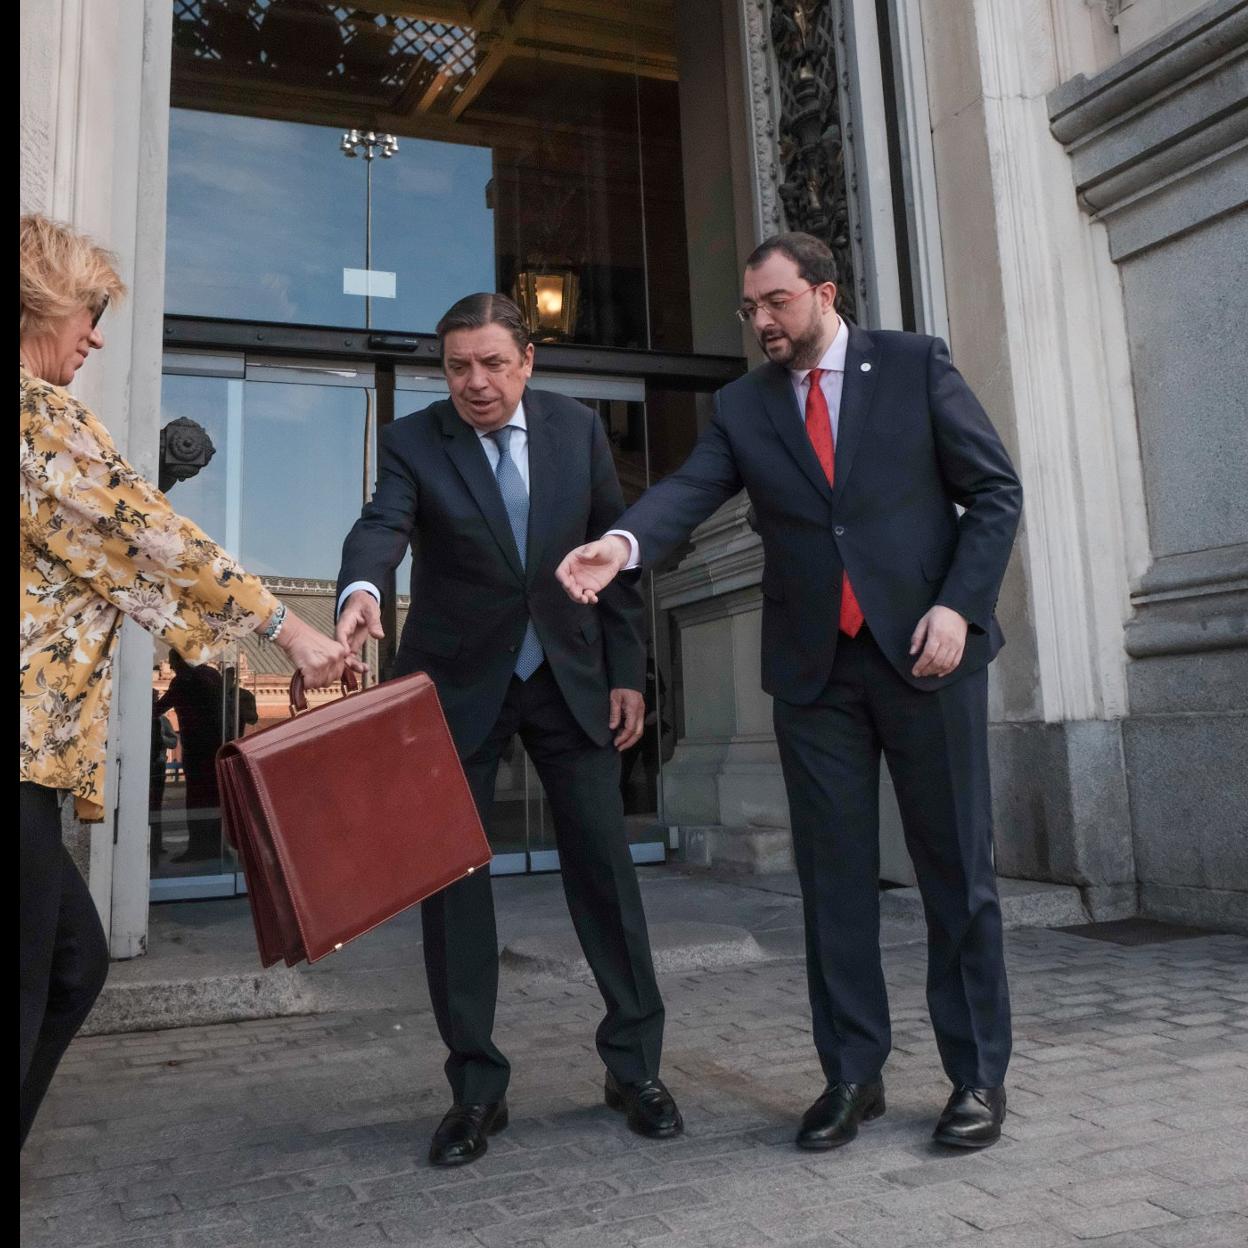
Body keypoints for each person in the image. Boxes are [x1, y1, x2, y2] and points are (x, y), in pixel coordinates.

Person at [557, 232, 1023, 1151]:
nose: (761, 322)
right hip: (817, 673)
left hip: (926, 658)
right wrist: (622, 545)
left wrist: (959, 609)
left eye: (775, 303)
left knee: (954, 874)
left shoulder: (916, 365)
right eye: (750, 309)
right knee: (832, 881)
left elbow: (995, 492)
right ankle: (853, 1075)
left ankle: (976, 1078)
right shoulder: (744, 404)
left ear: (823, 292)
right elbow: (689, 489)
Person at [19, 213, 352, 1147]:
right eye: (85, 313)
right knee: (51, 978)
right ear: (40, 301)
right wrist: (292, 631)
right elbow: (154, 541)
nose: (92, 337)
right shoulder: (37, 417)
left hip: (32, 765)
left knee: (71, 969)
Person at [335, 292, 681, 1167]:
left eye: (492, 363)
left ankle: (634, 1066)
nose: (475, 383)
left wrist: (625, 673)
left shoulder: (577, 430)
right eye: (457, 366)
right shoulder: (416, 441)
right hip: (456, 688)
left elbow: (614, 556)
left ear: (528, 361)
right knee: (454, 889)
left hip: (569, 683)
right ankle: (475, 1090)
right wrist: (362, 591)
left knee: (605, 870)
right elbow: (383, 526)